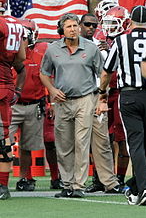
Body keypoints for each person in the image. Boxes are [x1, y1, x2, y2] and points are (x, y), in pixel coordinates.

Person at [40, 12, 104, 198]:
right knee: (64, 144)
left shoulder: (91, 48)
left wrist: (101, 99)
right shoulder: (53, 50)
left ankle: (78, 186)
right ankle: (67, 183)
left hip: (85, 99)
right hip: (62, 101)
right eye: (69, 26)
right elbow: (44, 73)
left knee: (82, 143)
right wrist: (52, 90)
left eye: (75, 26)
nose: (73, 29)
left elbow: (102, 74)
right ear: (62, 29)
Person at [98, 5, 146, 206]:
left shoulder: (120, 40)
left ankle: (143, 188)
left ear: (130, 22)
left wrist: (102, 93)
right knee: (145, 145)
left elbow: (106, 72)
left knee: (136, 143)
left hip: (129, 96)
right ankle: (138, 187)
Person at [80, 13, 122, 193]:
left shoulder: (111, 44)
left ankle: (110, 180)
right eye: (87, 24)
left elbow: (109, 71)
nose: (91, 27)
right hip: (81, 95)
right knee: (80, 141)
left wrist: (101, 95)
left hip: (107, 94)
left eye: (94, 25)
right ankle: (76, 181)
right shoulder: (69, 44)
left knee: (106, 139)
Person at [9, 19, 46, 191]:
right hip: (12, 105)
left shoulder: (41, 53)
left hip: (33, 104)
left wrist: (49, 101)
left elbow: (47, 79)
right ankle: (3, 180)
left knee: (28, 146)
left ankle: (25, 177)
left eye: (25, 35)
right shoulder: (8, 53)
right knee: (4, 141)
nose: (22, 38)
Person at [0, 0, 26, 199]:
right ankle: (2, 186)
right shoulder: (16, 25)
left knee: (3, 139)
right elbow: (21, 60)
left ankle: (2, 186)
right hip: (7, 83)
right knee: (4, 137)